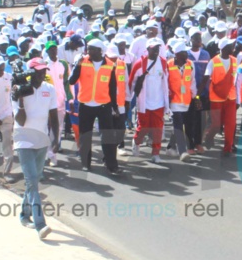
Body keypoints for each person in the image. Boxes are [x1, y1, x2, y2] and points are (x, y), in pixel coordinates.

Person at [13, 58, 60, 239]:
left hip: (41, 139)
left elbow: (53, 116)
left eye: (44, 70)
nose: (43, 74)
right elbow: (20, 120)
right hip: (23, 140)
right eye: (39, 71)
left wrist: (55, 138)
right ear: (30, 72)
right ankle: (40, 224)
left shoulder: (49, 89)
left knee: (33, 179)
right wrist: (22, 99)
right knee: (32, 179)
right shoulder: (18, 90)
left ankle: (24, 215)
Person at [69, 41, 119, 173]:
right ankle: (86, 163)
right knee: (85, 136)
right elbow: (71, 81)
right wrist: (77, 65)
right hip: (85, 105)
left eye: (91, 49)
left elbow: (112, 87)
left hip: (103, 105)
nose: (87, 51)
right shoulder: (82, 62)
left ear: (99, 51)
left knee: (108, 136)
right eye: (87, 49)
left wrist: (115, 106)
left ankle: (111, 165)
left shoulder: (110, 65)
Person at [130, 38, 169, 163]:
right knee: (144, 127)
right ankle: (136, 141)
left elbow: (165, 81)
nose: (156, 51)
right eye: (153, 48)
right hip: (144, 102)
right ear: (147, 50)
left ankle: (155, 153)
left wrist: (167, 100)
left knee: (158, 128)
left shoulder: (163, 62)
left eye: (158, 48)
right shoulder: (139, 64)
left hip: (159, 102)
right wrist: (128, 99)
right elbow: (131, 82)